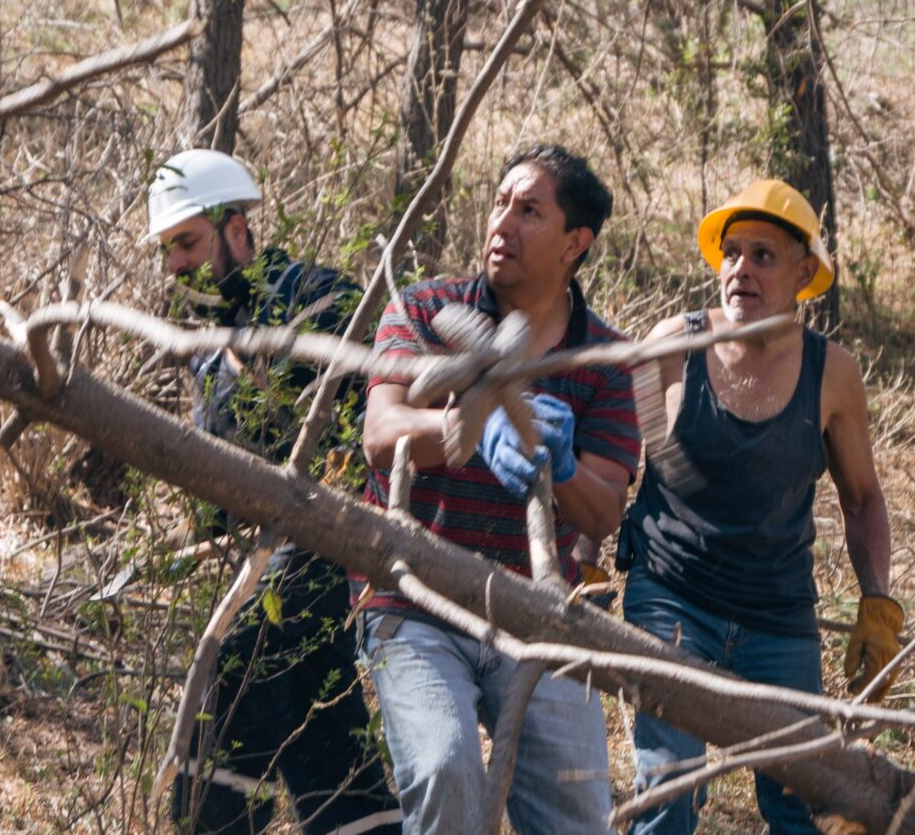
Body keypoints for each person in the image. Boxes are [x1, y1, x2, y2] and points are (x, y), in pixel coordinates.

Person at [354, 144, 640, 835]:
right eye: (500, 203)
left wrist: (564, 469)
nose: (502, 223)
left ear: (577, 242)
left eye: (529, 210)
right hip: (415, 598)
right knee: (446, 766)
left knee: (578, 810)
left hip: (538, 616)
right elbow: (380, 429)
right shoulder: (425, 309)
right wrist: (469, 427)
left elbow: (605, 506)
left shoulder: (602, 359)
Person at [617, 179, 903, 835]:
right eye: (732, 253)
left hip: (777, 613)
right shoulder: (674, 344)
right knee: (669, 796)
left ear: (806, 272)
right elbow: (612, 459)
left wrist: (878, 603)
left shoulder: (832, 373)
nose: (741, 268)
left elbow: (862, 499)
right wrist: (582, 549)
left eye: (763, 255)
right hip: (672, 595)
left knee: (800, 802)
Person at [145, 149, 402, 835]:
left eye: (189, 243)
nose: (176, 264)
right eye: (169, 250)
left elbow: (373, 423)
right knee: (325, 728)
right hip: (260, 567)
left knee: (235, 676)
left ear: (237, 229)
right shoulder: (207, 347)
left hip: (337, 555)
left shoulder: (316, 297)